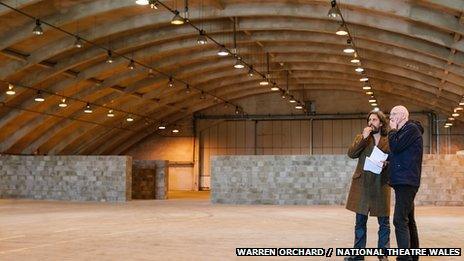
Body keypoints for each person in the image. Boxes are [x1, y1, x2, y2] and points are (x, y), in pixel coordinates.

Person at [345, 110, 391, 261]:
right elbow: (351, 154)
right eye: (369, 120)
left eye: (375, 120)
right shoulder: (362, 138)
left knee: (384, 222)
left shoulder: (389, 139)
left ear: (382, 123)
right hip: (363, 185)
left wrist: (387, 163)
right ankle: (358, 255)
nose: (371, 122)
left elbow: (395, 159)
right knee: (360, 222)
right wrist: (363, 138)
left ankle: (383, 254)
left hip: (381, 184)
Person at [388, 105, 423, 261]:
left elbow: (395, 146)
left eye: (393, 114)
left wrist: (392, 130)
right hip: (403, 180)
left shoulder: (411, 129)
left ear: (403, 115)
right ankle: (413, 256)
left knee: (399, 220)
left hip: (406, 181)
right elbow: (399, 153)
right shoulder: (404, 132)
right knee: (409, 220)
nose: (390, 118)